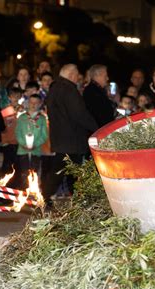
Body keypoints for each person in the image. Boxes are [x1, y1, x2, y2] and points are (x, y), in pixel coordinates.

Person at [42, 64, 98, 205]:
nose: (78, 78)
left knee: (64, 171)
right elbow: (79, 114)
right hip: (72, 140)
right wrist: (96, 127)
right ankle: (45, 197)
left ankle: (48, 197)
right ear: (72, 75)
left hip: (60, 138)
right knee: (67, 171)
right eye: (77, 75)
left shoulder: (54, 88)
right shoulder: (69, 90)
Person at [15, 94, 47, 189]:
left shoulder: (42, 119)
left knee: (34, 172)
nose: (33, 105)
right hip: (22, 150)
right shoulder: (22, 117)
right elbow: (18, 132)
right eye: (31, 102)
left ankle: (33, 192)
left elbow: (44, 135)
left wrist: (36, 144)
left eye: (36, 103)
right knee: (24, 172)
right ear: (28, 103)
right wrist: (23, 144)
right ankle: (23, 192)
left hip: (35, 151)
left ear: (40, 104)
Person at [83, 64, 115, 129]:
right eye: (105, 76)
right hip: (100, 131)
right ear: (98, 76)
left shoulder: (96, 90)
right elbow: (100, 114)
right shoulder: (92, 91)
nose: (107, 78)